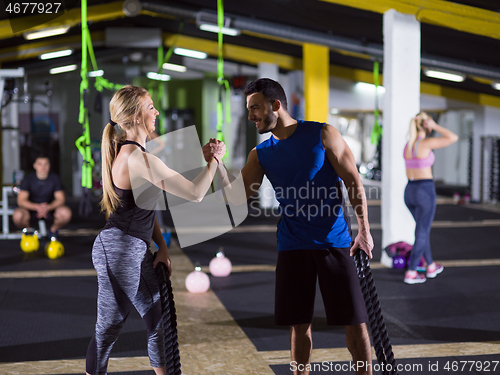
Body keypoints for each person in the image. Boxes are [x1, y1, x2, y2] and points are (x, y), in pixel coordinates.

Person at [208, 78, 374, 375]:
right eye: (248, 110)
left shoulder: (322, 133)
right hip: (293, 245)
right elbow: (236, 198)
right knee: (299, 323)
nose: (250, 117)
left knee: (355, 319)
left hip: (335, 242)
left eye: (255, 108)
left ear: (276, 105)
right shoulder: (261, 154)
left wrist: (364, 230)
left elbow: (353, 181)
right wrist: (217, 164)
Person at [85, 85, 224, 375]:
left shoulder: (137, 153)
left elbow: (145, 208)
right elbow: (196, 193)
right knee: (107, 331)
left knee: (159, 321)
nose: (157, 112)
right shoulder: (137, 158)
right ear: (136, 116)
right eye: (151, 107)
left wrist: (161, 246)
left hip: (134, 247)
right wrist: (214, 160)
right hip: (119, 251)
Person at [403, 112, 458, 284]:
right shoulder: (426, 143)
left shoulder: (408, 145)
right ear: (426, 124)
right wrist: (434, 127)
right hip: (424, 190)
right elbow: (453, 137)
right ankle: (412, 272)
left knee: (422, 230)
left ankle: (431, 265)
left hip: (409, 190)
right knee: (422, 232)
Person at [13, 154, 72, 239]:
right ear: (35, 165)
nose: (43, 167)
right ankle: (29, 231)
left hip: (50, 209)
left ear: (49, 165)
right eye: (40, 164)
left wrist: (48, 207)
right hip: (31, 210)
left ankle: (53, 231)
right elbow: (21, 201)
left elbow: (61, 199)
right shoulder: (28, 178)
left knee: (66, 213)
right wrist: (37, 207)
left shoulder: (54, 178)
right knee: (17, 215)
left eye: (46, 164)